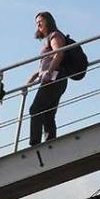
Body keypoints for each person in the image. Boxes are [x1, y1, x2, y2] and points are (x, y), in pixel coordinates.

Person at [26, 12, 68, 145]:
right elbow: (47, 60)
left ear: (48, 22)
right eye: (36, 23)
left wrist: (49, 72)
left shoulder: (55, 35)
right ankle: (50, 143)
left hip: (54, 78)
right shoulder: (48, 38)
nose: (38, 24)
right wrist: (34, 76)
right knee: (48, 113)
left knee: (35, 109)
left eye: (40, 21)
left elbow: (59, 53)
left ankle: (35, 143)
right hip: (52, 78)